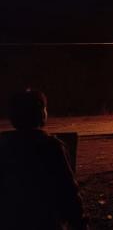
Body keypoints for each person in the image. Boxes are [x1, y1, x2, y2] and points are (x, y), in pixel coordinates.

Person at [0, 89, 88, 230]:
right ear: (41, 114)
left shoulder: (4, 146)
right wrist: (79, 222)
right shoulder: (51, 146)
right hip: (46, 221)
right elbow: (68, 189)